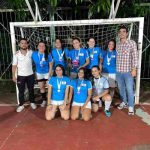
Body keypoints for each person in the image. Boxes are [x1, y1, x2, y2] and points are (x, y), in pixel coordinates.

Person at [116, 25, 138, 115]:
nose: (122, 33)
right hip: (118, 71)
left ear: (127, 33)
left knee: (129, 89)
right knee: (121, 89)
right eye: (120, 31)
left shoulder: (131, 43)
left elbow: (135, 57)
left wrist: (134, 69)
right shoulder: (117, 44)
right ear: (118, 34)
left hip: (128, 71)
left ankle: (131, 106)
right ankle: (124, 102)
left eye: (124, 31)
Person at [12, 38, 37, 112]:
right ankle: (21, 105)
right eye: (22, 43)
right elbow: (14, 66)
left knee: (31, 90)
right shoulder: (16, 54)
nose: (24, 44)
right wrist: (13, 76)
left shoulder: (31, 52)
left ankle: (32, 102)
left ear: (27, 44)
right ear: (19, 44)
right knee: (21, 91)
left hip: (30, 75)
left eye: (25, 43)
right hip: (20, 76)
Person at [32, 41, 53, 107]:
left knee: (50, 87)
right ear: (37, 47)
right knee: (41, 87)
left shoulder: (48, 55)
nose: (41, 47)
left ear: (45, 47)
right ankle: (44, 100)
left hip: (47, 73)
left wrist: (49, 74)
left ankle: (50, 101)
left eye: (43, 46)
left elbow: (51, 65)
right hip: (39, 73)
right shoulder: (34, 54)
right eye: (40, 46)